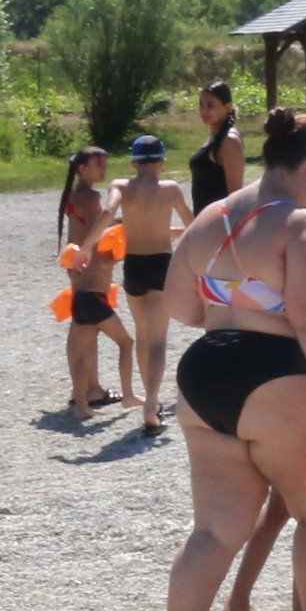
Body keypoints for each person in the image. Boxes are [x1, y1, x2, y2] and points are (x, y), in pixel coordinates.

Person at [159, 109, 306, 611]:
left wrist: (224, 314)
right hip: (275, 373)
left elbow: (179, 305)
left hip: (205, 370)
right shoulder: (301, 225)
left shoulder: (209, 218)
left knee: (215, 530)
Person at [113, 136, 189, 434]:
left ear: (134, 163)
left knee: (142, 336)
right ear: (162, 162)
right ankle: (152, 402)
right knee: (158, 340)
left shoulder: (123, 187)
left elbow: (117, 217)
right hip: (161, 264)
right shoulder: (170, 189)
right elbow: (193, 224)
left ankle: (150, 397)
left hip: (134, 264)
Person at [55, 146, 120, 420]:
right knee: (89, 330)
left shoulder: (74, 195)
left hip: (76, 267)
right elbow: (98, 232)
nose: (103, 168)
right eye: (98, 164)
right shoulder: (91, 197)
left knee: (81, 327)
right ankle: (88, 390)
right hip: (91, 269)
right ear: (83, 168)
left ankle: (83, 389)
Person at [190, 80, 246, 212]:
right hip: (204, 223)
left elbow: (235, 194)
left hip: (218, 224)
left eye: (211, 105)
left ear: (228, 107)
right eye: (201, 105)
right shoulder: (215, 137)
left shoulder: (229, 141)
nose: (204, 110)